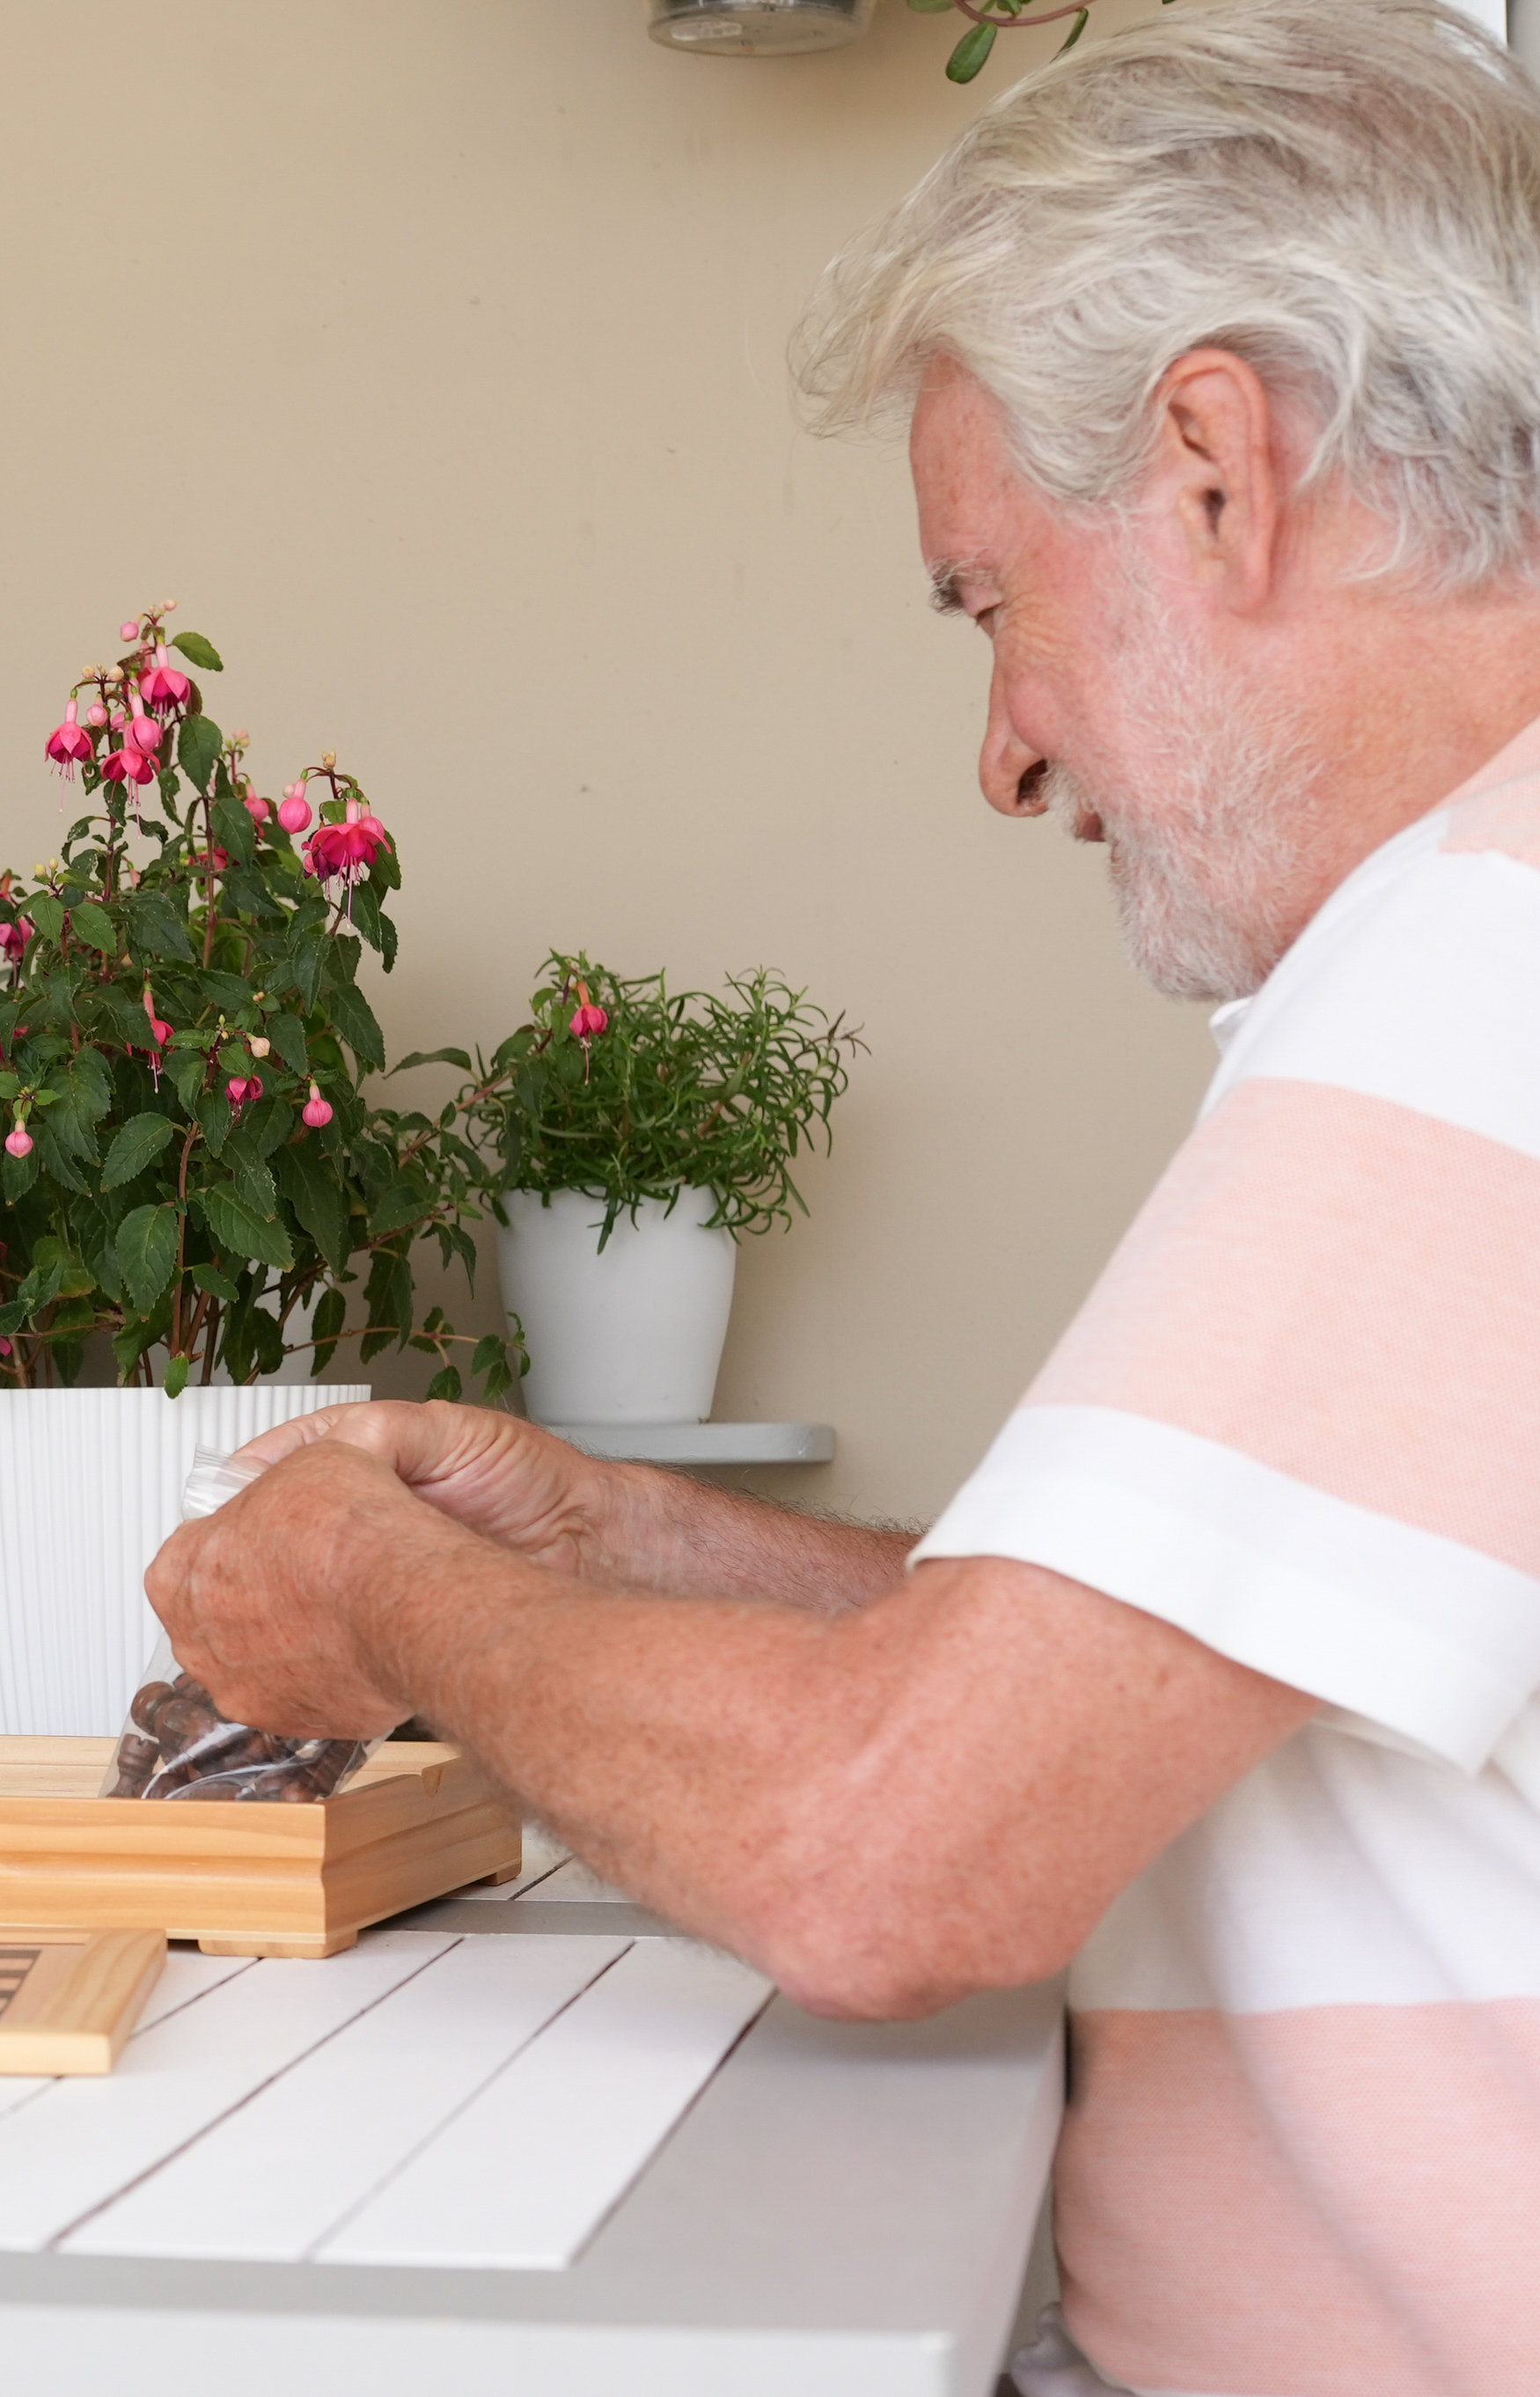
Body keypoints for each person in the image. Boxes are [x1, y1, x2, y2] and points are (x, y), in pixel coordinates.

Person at [145, 5, 1540, 2391]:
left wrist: (382, 1598)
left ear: (1212, 471)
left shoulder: (1470, 961)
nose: (997, 748)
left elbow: (885, 1856)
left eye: (981, 596)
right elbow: (1137, 1693)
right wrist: (618, 1545)